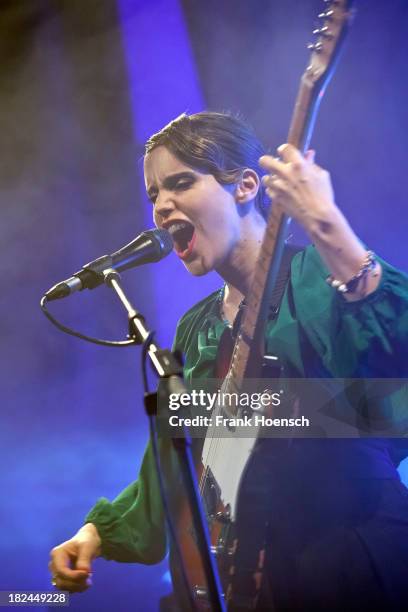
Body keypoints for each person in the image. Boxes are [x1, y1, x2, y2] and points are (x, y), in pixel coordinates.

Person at [48, 111, 408, 611]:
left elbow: (394, 377)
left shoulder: (315, 279)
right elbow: (180, 467)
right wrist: (97, 532)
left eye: (180, 183)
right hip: (251, 583)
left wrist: (327, 225)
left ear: (244, 186)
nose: (161, 206)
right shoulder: (197, 328)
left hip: (351, 561)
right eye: (154, 195)